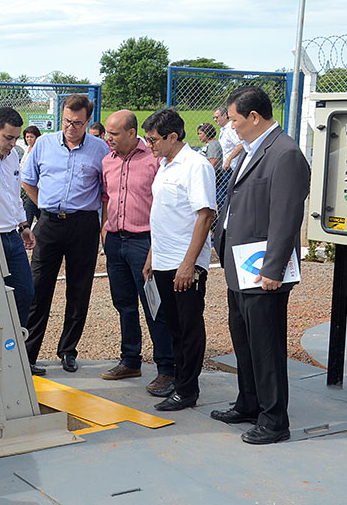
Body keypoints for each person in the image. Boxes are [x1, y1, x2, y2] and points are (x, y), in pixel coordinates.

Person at [210, 86, 310, 445]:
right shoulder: (253, 149)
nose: (231, 127)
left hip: (262, 271)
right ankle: (249, 402)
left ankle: (273, 419)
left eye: (234, 120)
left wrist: (273, 269)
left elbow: (285, 218)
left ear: (254, 117)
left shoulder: (284, 153)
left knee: (266, 345)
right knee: (245, 340)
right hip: (241, 267)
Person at [22, 94, 109, 375]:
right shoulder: (45, 143)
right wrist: (43, 205)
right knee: (38, 289)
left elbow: (106, 190)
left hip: (83, 224)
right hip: (48, 223)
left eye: (78, 123)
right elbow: (28, 179)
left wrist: (103, 228)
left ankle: (68, 351)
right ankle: (28, 353)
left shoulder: (100, 149)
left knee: (79, 289)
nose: (71, 127)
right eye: (67, 121)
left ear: (88, 121)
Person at [142, 109, 216, 411]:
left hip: (184, 263)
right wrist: (151, 254)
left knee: (188, 327)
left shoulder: (195, 166)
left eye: (154, 140)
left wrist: (189, 263)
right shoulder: (164, 164)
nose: (150, 145)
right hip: (162, 259)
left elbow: (205, 215)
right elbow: (162, 213)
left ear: (173, 136)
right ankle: (179, 378)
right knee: (172, 325)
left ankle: (188, 390)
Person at [100, 110, 176, 397]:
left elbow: (164, 205)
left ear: (132, 133)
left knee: (154, 307)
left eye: (115, 134)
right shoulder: (107, 161)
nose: (108, 139)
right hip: (115, 241)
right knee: (124, 304)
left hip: (144, 242)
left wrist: (155, 248)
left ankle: (167, 369)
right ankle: (130, 360)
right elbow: (106, 197)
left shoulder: (155, 161)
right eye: (107, 133)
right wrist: (104, 229)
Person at [0, 108, 36, 331]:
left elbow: (13, 195)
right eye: (9, 137)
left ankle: (15, 352)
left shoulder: (12, 156)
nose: (14, 144)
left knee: (25, 292)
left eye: (16, 138)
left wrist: (23, 226)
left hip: (12, 237)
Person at [214, 106, 244, 211]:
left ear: (225, 115)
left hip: (230, 168)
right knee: (220, 195)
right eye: (214, 118)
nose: (215, 120)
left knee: (222, 195)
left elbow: (240, 145)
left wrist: (229, 159)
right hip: (225, 168)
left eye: (217, 117)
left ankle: (223, 221)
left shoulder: (230, 129)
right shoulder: (223, 130)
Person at [20, 125, 41, 228]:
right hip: (25, 186)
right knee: (40, 214)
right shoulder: (28, 149)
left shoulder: (38, 150)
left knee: (28, 210)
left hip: (34, 186)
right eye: (27, 137)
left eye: (31, 137)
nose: (29, 139)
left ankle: (24, 232)